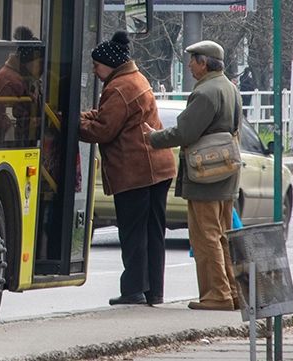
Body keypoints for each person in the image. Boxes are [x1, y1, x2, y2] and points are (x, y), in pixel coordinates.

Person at [79, 31, 176, 306]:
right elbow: (107, 115)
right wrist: (84, 114)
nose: (95, 71)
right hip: (158, 167)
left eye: (97, 66)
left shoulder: (119, 87)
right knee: (153, 231)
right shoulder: (135, 79)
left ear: (109, 64)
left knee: (133, 232)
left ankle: (133, 289)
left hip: (137, 170)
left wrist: (72, 124)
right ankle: (153, 290)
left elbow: (104, 129)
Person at [149, 40, 243, 311]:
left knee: (206, 236)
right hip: (226, 173)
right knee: (223, 234)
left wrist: (153, 138)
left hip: (206, 174)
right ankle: (233, 291)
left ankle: (217, 295)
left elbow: (185, 132)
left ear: (204, 63)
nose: (189, 65)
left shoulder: (205, 93)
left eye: (192, 60)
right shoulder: (229, 88)